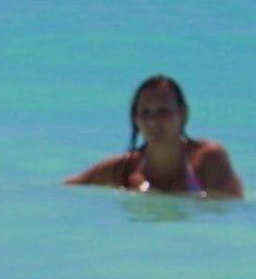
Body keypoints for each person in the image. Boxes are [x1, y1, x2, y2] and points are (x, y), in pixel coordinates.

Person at [69, 75, 244, 199]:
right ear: (135, 119)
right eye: (145, 112)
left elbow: (230, 212)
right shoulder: (124, 168)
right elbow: (64, 191)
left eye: (163, 112)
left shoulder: (207, 158)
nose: (153, 121)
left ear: (182, 114)